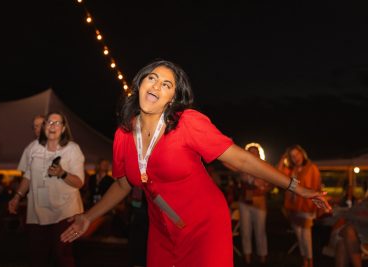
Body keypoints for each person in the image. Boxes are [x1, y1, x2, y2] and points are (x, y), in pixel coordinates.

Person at [60, 59, 331, 267]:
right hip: (162, 229)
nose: (156, 86)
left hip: (205, 225)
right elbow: (121, 185)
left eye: (166, 85)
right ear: (139, 85)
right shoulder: (123, 134)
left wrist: (296, 186)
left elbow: (241, 159)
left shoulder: (188, 123)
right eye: (151, 78)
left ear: (172, 99)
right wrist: (88, 216)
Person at [8, 111, 85, 267]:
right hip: (37, 211)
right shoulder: (33, 148)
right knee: (37, 257)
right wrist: (17, 197)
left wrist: (62, 173)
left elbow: (79, 182)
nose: (52, 126)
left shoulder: (72, 149)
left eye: (57, 123)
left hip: (65, 211)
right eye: (49, 122)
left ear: (63, 129)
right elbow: (28, 176)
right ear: (44, 127)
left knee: (61, 256)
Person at [278, 144, 322, 267]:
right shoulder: (291, 170)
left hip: (307, 207)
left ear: (302, 154)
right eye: (292, 156)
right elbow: (278, 173)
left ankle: (310, 261)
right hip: (293, 207)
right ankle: (304, 260)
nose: (296, 157)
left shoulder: (312, 168)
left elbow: (316, 186)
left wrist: (315, 206)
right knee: (299, 236)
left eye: (297, 154)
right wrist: (283, 158)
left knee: (306, 236)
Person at [238, 142, 273, 265]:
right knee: (245, 231)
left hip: (259, 202)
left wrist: (266, 187)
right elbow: (243, 177)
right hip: (244, 202)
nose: (253, 154)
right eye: (250, 152)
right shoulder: (242, 166)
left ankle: (262, 258)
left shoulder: (264, 166)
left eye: (255, 152)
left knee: (260, 230)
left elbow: (271, 183)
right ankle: (247, 258)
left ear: (259, 154)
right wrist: (253, 181)